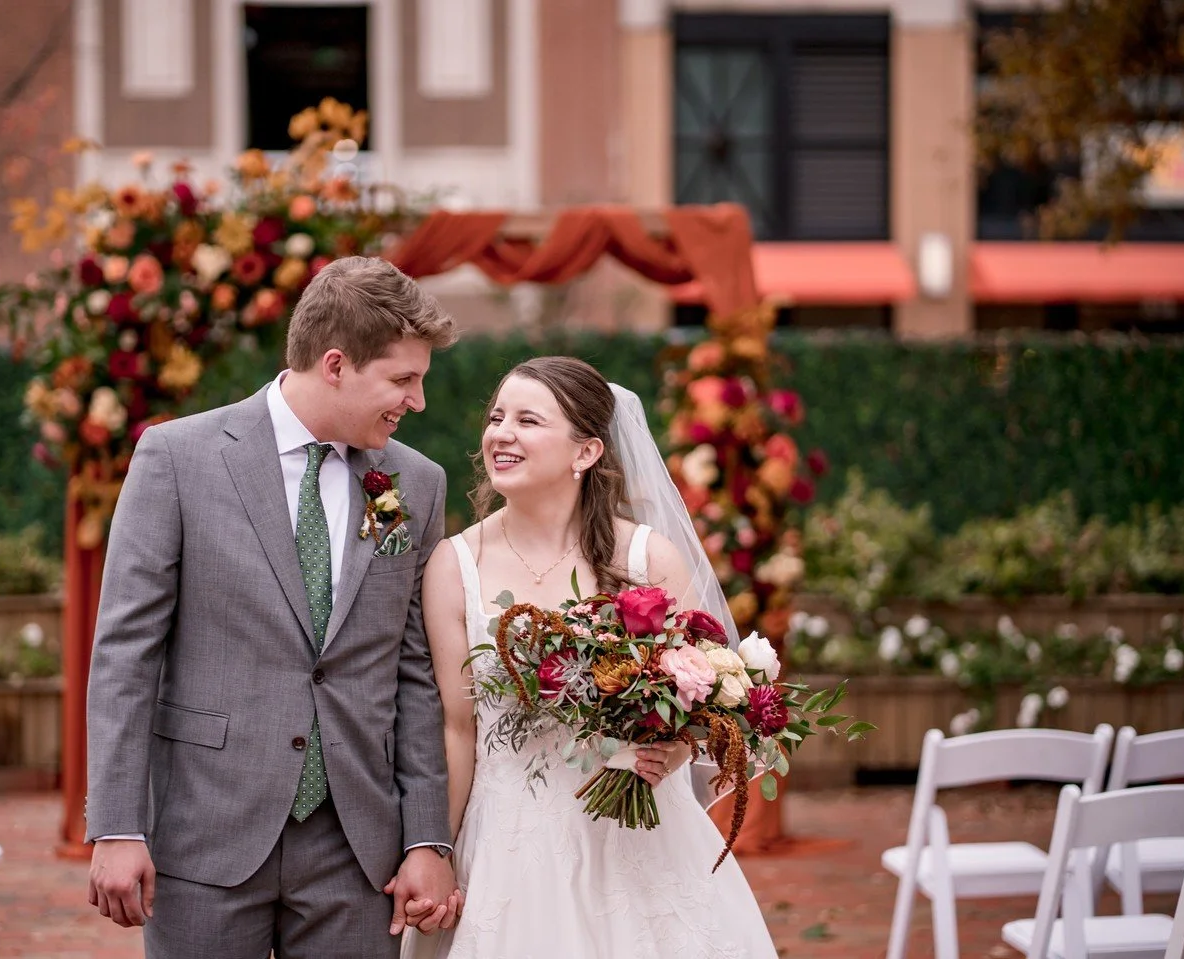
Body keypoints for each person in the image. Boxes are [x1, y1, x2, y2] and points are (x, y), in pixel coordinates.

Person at [84, 256, 465, 958]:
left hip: (356, 851)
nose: (415, 401)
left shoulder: (415, 482)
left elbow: (416, 675)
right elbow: (124, 658)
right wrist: (116, 824)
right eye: (403, 379)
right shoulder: (177, 457)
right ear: (335, 364)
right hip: (205, 832)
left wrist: (424, 836)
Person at [404, 356, 780, 958]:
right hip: (510, 846)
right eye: (497, 417)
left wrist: (671, 748)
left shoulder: (647, 561)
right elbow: (457, 728)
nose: (501, 433)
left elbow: (703, 706)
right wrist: (437, 852)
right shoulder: (456, 566)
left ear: (586, 453)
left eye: (528, 420)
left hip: (640, 843)